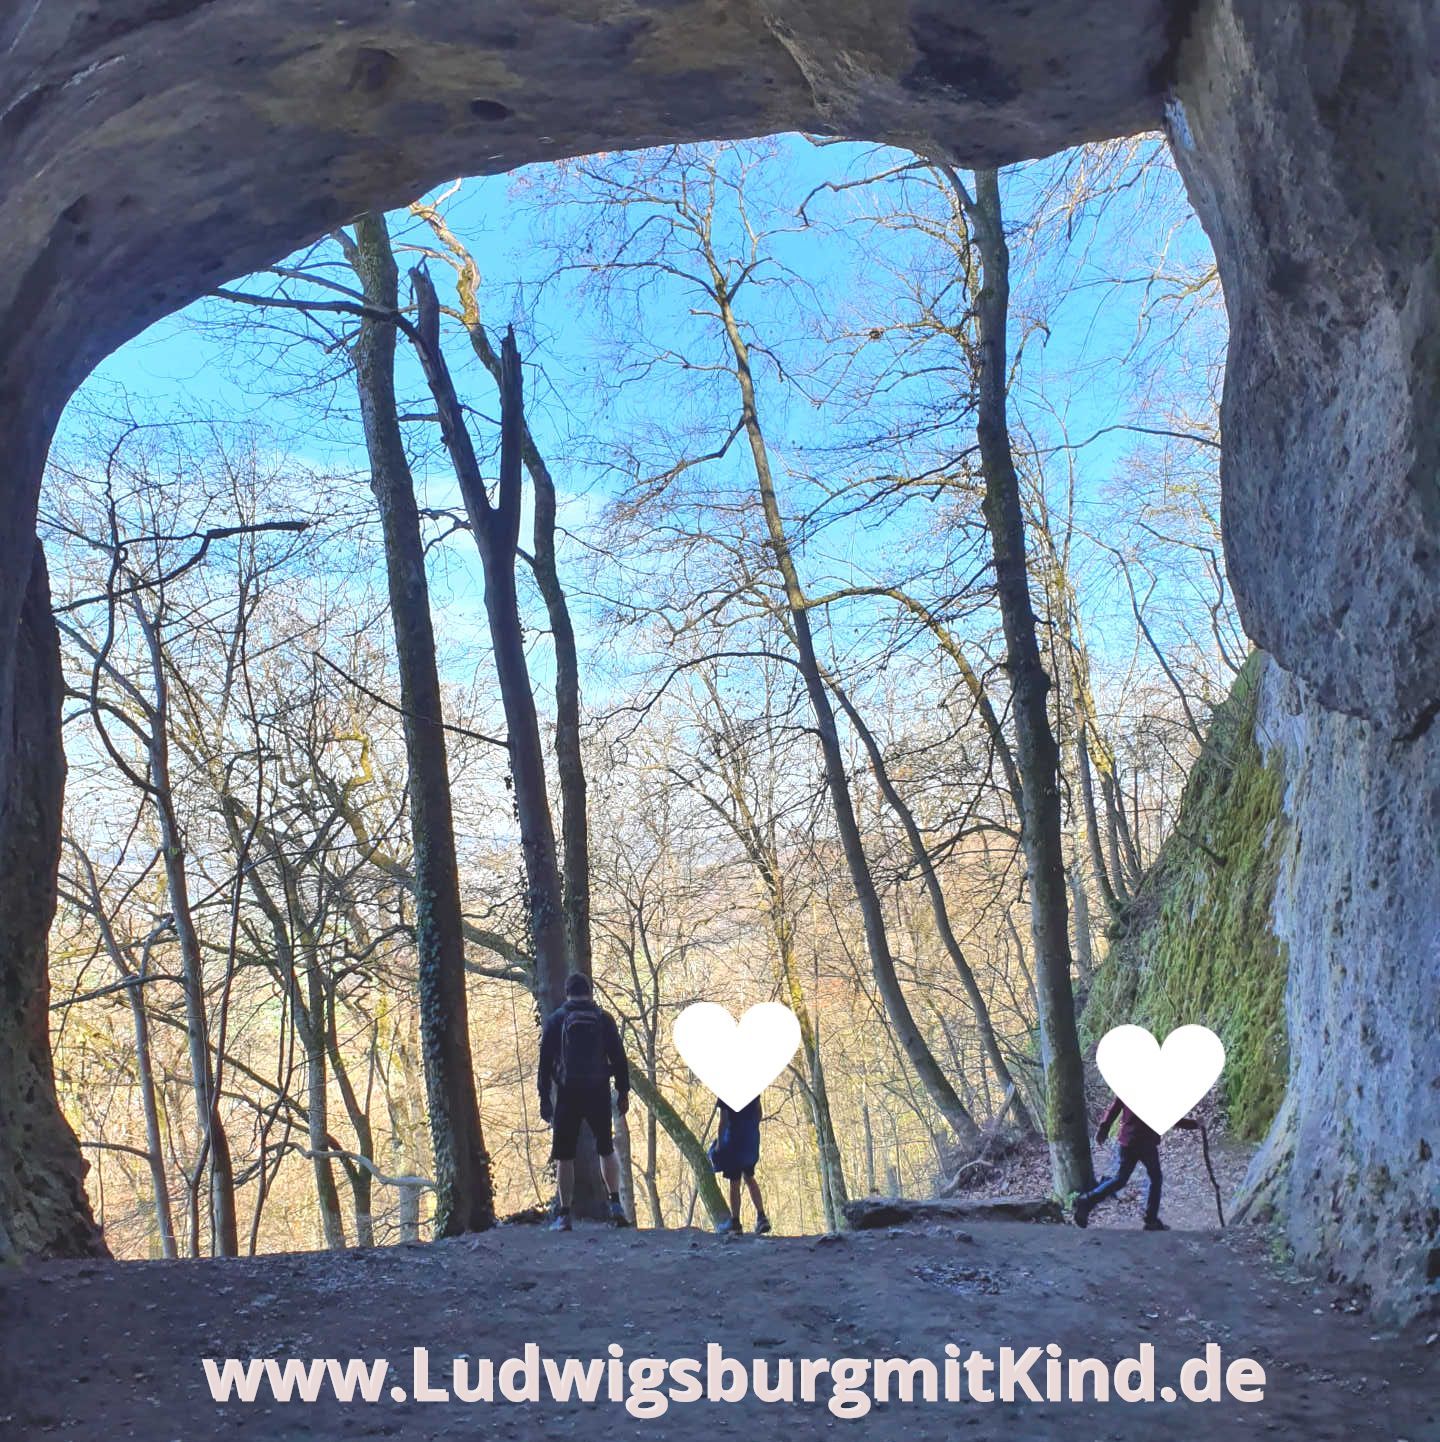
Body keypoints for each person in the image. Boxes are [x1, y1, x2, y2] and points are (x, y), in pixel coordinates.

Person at [537, 973, 630, 1230]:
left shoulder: (557, 1020)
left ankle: (564, 1214)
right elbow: (619, 1059)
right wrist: (623, 1092)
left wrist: (544, 1098)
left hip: (568, 1093)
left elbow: (544, 1064)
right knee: (606, 1148)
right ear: (589, 992)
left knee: (564, 1155)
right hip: (598, 1090)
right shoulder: (603, 1019)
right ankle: (616, 1205)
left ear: (567, 992)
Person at [1072, 1095, 1198, 1231]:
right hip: (1146, 1142)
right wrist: (1195, 1124)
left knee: (1120, 1179)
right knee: (1155, 1178)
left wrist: (1104, 1127)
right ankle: (1151, 1220)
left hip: (1128, 1140)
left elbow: (1115, 1107)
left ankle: (1086, 1200)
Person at [709, 1095, 770, 1235]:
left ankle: (735, 1223)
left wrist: (719, 1145)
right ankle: (762, 1217)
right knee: (749, 1177)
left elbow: (723, 1122)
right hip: (751, 1140)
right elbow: (759, 1113)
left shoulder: (725, 1093)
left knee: (734, 1182)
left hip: (734, 1141)